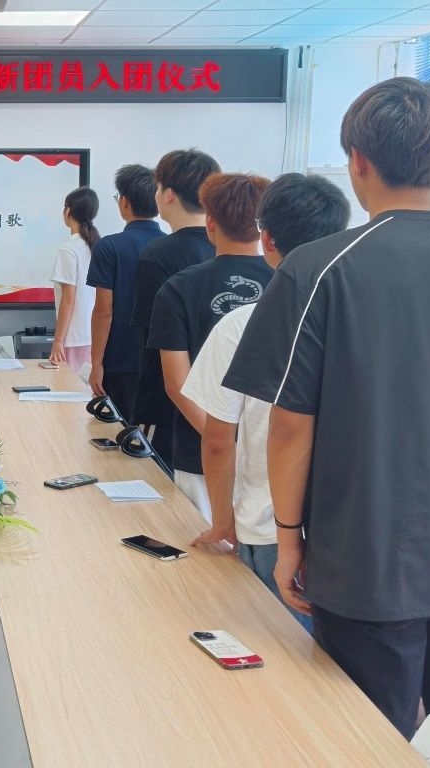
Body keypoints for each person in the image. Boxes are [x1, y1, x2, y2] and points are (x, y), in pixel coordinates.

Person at [223, 78, 430, 762]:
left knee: (368, 735)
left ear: (357, 159)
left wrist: (288, 539)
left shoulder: (318, 268)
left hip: (366, 554)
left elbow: (290, 426)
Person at [182, 173, 351, 630]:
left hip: (268, 524)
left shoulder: (242, 324)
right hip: (347, 529)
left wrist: (222, 520)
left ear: (268, 240)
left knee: (277, 655)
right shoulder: (362, 320)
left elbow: (219, 439)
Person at [148, 173, 272, 521]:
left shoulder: (178, 288)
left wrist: (223, 439)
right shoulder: (289, 284)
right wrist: (248, 446)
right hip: (272, 457)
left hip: (198, 452)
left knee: (204, 547)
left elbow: (176, 383)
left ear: (210, 223)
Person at [128, 150, 221, 466]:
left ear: (168, 195)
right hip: (223, 407)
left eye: (157, 187)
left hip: (169, 408)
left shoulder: (158, 254)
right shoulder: (227, 249)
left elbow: (148, 338)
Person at [86, 164, 165, 417]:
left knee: (116, 430)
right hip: (163, 360)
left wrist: (96, 363)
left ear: (124, 202)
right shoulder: (170, 245)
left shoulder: (109, 247)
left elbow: (103, 310)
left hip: (119, 359)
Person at [48, 187, 100, 370]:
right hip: (95, 336)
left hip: (73, 338)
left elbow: (68, 299)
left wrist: (58, 341)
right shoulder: (97, 246)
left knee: (68, 386)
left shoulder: (68, 249)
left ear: (68, 211)